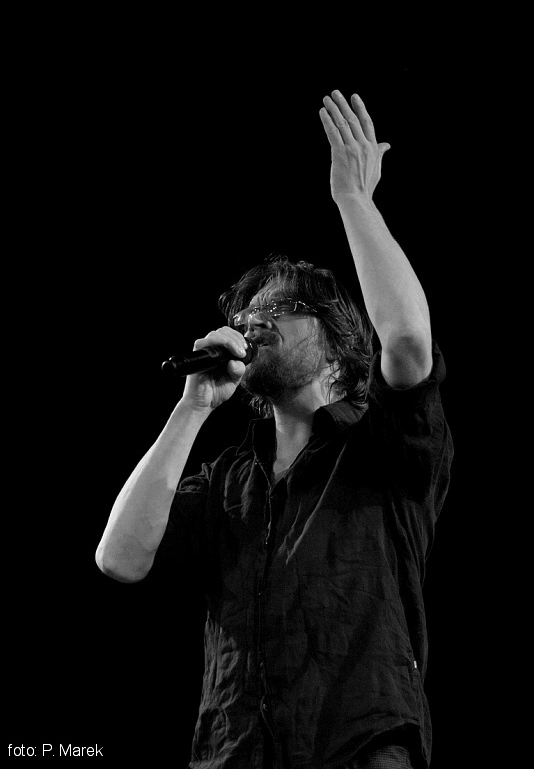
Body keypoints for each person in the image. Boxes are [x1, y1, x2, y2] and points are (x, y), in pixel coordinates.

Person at [96, 89, 453, 769]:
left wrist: (353, 198)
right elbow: (120, 558)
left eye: (282, 309)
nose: (255, 323)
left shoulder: (379, 446)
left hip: (358, 749)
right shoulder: (227, 481)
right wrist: (193, 406)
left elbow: (408, 339)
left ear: (339, 357)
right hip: (233, 754)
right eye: (248, 316)